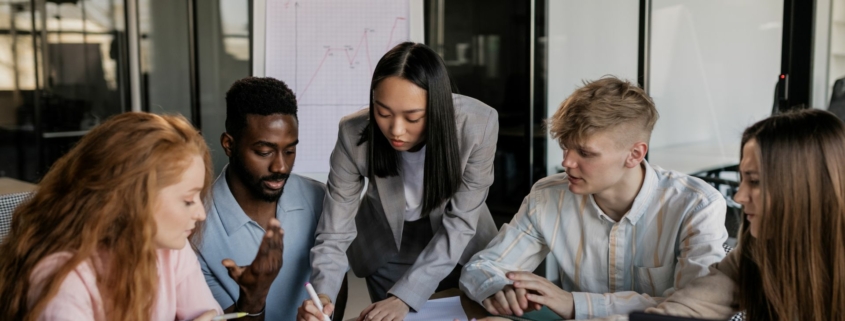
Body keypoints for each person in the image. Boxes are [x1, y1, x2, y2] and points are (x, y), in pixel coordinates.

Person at [459, 76, 729, 319]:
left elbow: (694, 310)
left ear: (635, 154)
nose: (566, 162)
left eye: (585, 153)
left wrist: (575, 304)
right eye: (565, 148)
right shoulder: (547, 197)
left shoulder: (696, 206)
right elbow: (482, 266)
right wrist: (499, 288)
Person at [298, 42, 500, 321]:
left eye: (413, 117)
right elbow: (334, 231)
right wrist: (322, 296)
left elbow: (461, 223)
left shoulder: (478, 124)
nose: (396, 129)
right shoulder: (353, 132)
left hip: (459, 244)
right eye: (383, 113)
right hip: (387, 246)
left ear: (437, 107)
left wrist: (405, 296)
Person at [624, 109, 845, 321]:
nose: (739, 197)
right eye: (742, 180)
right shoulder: (756, 252)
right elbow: (688, 310)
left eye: (755, 181)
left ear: (804, 186)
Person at [0, 112, 223, 321]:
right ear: (130, 199)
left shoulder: (171, 247)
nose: (201, 214)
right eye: (187, 200)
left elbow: (208, 315)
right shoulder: (62, 277)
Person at [195, 77, 326, 321]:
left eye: (290, 150)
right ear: (229, 145)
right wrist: (253, 297)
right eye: (264, 152)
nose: (281, 166)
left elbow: (334, 285)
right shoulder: (195, 226)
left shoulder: (319, 199)